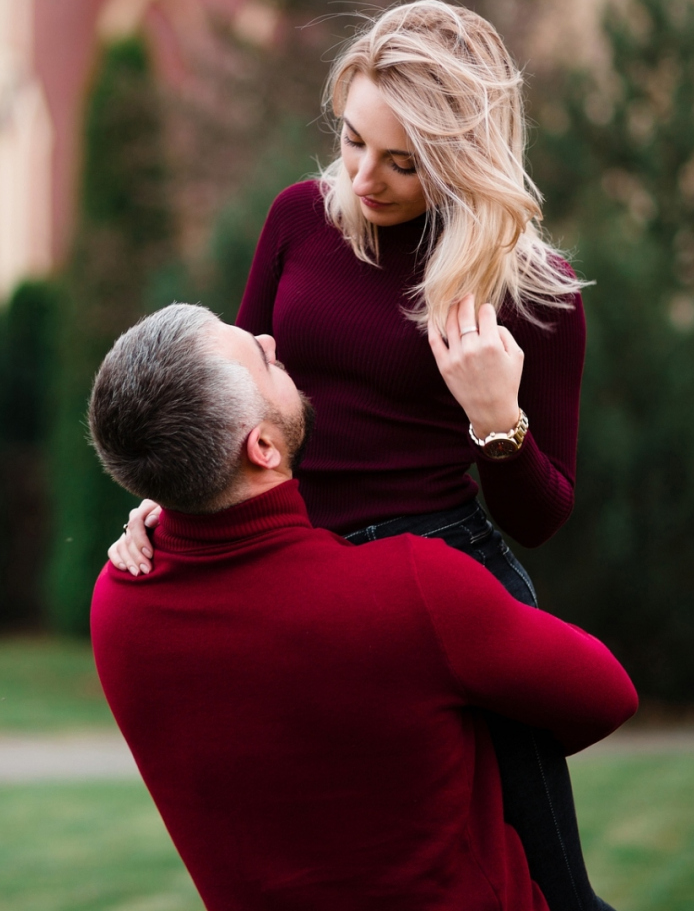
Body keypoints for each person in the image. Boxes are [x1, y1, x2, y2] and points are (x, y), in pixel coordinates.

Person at [108, 0, 607, 909]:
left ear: (460, 160)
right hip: (302, 575)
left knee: (553, 893)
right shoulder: (301, 218)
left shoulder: (533, 290)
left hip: (453, 579)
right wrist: (168, 503)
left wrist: (497, 420)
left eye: (401, 162)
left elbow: (540, 516)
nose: (362, 178)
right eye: (350, 141)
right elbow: (238, 395)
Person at [88, 303, 637, 911]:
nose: (273, 339)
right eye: (264, 360)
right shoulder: (412, 591)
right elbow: (607, 695)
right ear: (263, 447)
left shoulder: (117, 604)